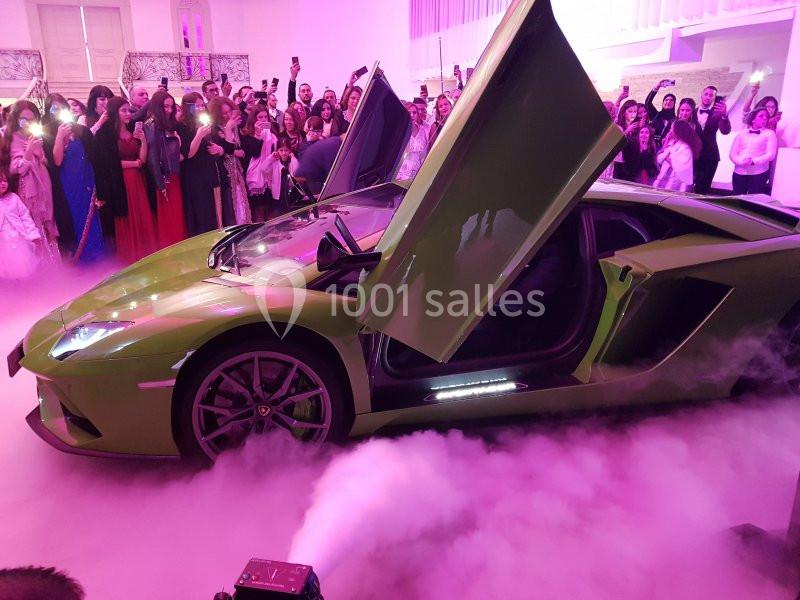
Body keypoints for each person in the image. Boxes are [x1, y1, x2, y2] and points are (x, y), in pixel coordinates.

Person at [93, 96, 158, 263]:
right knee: (126, 217)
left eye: (129, 110)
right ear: (115, 112)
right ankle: (130, 257)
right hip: (121, 182)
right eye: (123, 110)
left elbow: (142, 160)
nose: (128, 113)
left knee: (142, 214)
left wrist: (143, 140)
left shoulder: (132, 131)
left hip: (138, 180)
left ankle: (146, 254)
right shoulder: (106, 135)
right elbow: (109, 163)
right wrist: (134, 164)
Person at [44, 93, 103, 263]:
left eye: (60, 107)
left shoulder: (80, 130)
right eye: (53, 108)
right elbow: (57, 161)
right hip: (67, 184)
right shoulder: (48, 133)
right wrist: (60, 136)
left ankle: (97, 258)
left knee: (91, 217)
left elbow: (91, 156)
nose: (57, 111)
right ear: (48, 112)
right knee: (74, 218)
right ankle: (80, 260)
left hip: (86, 181)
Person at [4, 100, 61, 261]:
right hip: (29, 190)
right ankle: (40, 265)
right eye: (24, 119)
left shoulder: (34, 135)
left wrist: (38, 152)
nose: (27, 123)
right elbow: (17, 169)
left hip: (44, 185)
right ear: (16, 119)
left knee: (47, 224)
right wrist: (29, 152)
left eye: (32, 119)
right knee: (34, 225)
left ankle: (53, 264)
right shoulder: (14, 137)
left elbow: (45, 163)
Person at [144, 89, 187, 247]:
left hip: (174, 173)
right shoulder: (152, 124)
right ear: (157, 106)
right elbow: (153, 157)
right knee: (169, 215)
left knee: (176, 213)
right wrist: (160, 183)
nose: (169, 110)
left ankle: (178, 245)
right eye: (165, 107)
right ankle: (171, 248)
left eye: (171, 107)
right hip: (165, 176)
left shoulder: (167, 123)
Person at [177, 92, 222, 235]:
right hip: (194, 174)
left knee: (212, 209)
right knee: (199, 210)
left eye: (202, 105)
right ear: (188, 108)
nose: (201, 108)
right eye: (196, 106)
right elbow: (188, 154)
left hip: (209, 170)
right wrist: (199, 135)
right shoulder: (182, 127)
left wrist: (219, 149)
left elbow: (220, 146)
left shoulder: (208, 124)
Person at [209, 97, 251, 225]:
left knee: (241, 200)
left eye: (229, 111)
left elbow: (239, 148)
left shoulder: (234, 126)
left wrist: (235, 151)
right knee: (229, 203)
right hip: (224, 172)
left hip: (237, 169)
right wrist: (228, 130)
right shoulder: (214, 130)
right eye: (224, 113)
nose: (227, 115)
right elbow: (224, 150)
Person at [0, 169, 41, 279]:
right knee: (7, 273)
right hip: (3, 245)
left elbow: (25, 217)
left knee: (24, 269)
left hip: (19, 240)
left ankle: (27, 289)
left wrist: (33, 234)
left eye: (4, 181)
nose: (2, 184)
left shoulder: (13, 198)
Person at [729, 107, 778, 196]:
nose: (764, 118)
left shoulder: (769, 133)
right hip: (739, 171)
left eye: (766, 117)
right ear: (753, 119)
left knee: (754, 201)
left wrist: (753, 161)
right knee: (737, 198)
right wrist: (740, 162)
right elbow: (732, 153)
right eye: (761, 116)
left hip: (758, 173)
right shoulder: (741, 133)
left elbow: (771, 155)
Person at [242, 106, 278, 222]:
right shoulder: (247, 134)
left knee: (270, 211)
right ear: (254, 119)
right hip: (256, 173)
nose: (263, 120)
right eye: (260, 117)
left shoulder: (272, 132)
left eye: (265, 117)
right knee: (259, 212)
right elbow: (255, 153)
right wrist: (257, 135)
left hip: (270, 171)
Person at [693, 85, 731, 194]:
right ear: (701, 95)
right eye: (706, 94)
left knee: (703, 189)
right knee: (689, 186)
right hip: (693, 156)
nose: (708, 97)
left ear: (714, 98)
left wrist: (724, 116)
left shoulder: (718, 113)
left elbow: (725, 131)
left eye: (711, 95)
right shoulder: (692, 112)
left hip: (711, 157)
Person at [654, 119, 702, 192]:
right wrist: (666, 142)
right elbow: (659, 159)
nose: (670, 131)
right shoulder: (672, 142)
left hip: (676, 184)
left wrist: (666, 157)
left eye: (672, 129)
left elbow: (680, 166)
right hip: (664, 180)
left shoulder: (685, 148)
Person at [397, 101, 428, 181]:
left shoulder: (423, 130)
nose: (412, 115)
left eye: (414, 112)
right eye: (409, 112)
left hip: (420, 172)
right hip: (402, 173)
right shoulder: (400, 132)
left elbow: (425, 152)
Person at [644, 80, 676, 147]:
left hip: (667, 148)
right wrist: (657, 87)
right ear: (663, 103)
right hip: (652, 147)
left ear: (674, 104)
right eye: (666, 100)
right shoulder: (656, 115)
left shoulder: (675, 120)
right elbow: (647, 103)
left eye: (671, 100)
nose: (668, 101)